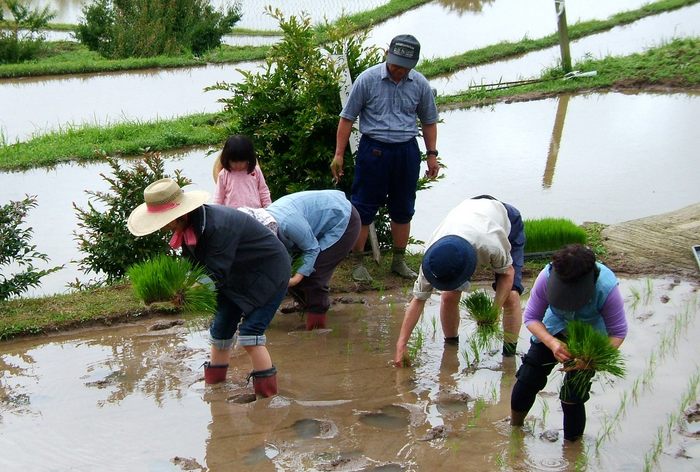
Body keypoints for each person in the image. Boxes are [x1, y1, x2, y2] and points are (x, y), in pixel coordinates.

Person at [127, 178, 290, 398]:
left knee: (250, 334)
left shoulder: (218, 226)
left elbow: (215, 274)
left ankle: (267, 397)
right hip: (234, 276)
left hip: (267, 273)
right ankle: (215, 389)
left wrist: (189, 291)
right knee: (221, 327)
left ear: (180, 215)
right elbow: (195, 268)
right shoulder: (189, 229)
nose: (163, 226)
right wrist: (177, 288)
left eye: (165, 220)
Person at [330, 34, 439, 283]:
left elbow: (429, 121)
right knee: (364, 206)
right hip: (374, 151)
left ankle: (398, 261)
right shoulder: (367, 80)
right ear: (387, 56)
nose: (398, 70)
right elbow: (347, 118)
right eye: (395, 64)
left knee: (403, 207)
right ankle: (358, 262)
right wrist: (338, 154)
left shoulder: (420, 84)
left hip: (406, 152)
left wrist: (432, 155)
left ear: (413, 63)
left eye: (404, 66)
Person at [509, 244, 627, 442]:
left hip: (588, 339)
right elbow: (531, 317)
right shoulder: (546, 277)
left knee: (573, 396)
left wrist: (589, 360)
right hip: (553, 328)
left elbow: (618, 332)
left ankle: (572, 451)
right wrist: (552, 343)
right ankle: (515, 430)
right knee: (528, 378)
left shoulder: (606, 287)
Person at [393, 196, 526, 366]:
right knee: (448, 296)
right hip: (464, 221)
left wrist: (493, 311)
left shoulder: (490, 244)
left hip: (503, 219)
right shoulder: (432, 259)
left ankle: (508, 357)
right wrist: (401, 344)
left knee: (511, 296)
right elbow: (418, 300)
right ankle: (450, 347)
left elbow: (507, 274)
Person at [241, 190, 361, 330]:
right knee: (288, 270)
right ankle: (306, 305)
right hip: (314, 225)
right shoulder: (263, 228)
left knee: (314, 273)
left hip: (343, 219)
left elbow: (312, 249)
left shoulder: (288, 223)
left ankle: (317, 327)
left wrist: (296, 279)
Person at [213, 134, 271, 209]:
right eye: (234, 162)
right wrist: (216, 212)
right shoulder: (223, 175)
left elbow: (263, 191)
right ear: (227, 159)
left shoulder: (255, 171)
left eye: (242, 161)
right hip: (233, 215)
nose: (238, 165)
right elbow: (218, 197)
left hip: (255, 213)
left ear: (249, 158)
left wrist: (268, 207)